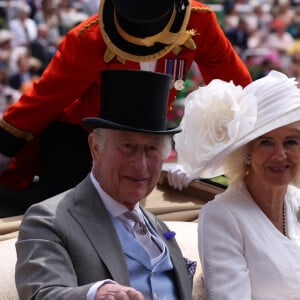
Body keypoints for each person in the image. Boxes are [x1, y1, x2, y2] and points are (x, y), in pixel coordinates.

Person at [0, 0, 252, 217]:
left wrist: (201, 160)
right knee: (63, 221)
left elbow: (240, 90)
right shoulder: (87, 38)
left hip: (150, 137)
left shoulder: (200, 23)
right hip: (81, 141)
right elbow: (46, 98)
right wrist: (5, 143)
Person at [15, 69, 196, 300]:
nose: (140, 165)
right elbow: (42, 294)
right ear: (95, 148)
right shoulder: (48, 221)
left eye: (151, 149)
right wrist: (94, 295)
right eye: (127, 146)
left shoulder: (158, 228)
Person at [169, 70, 300, 299]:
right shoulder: (222, 215)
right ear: (247, 152)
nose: (280, 155)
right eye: (266, 142)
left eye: (291, 142)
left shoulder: (296, 200)